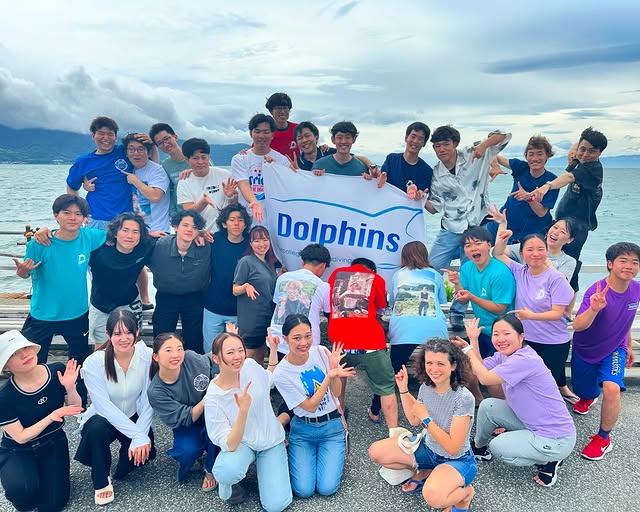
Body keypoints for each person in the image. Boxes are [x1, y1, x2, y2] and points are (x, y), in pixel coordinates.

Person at [456, 316, 576, 487]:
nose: (501, 339)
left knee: (498, 447)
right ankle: (478, 448)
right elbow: (480, 367)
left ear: (521, 337)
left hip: (556, 437)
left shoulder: (524, 360)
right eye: (496, 334)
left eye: (506, 333)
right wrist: (474, 339)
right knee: (488, 406)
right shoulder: (504, 356)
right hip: (532, 423)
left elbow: (485, 378)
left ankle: (549, 461)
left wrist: (468, 349)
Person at [14, 194, 106, 402]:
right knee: (34, 360)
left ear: (84, 218)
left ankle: (78, 400)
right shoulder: (41, 242)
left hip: (76, 313)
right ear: (56, 216)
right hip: (43, 313)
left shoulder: (88, 236)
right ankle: (36, 400)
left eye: (78, 214)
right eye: (66, 213)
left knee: (78, 360)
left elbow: (118, 234)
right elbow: (24, 272)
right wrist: (22, 271)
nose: (72, 218)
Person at [368, 338, 476, 511]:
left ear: (453, 365)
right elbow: (414, 419)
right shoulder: (426, 387)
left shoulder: (463, 398)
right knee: (376, 452)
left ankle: (466, 493)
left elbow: (453, 447)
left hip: (457, 460)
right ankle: (427, 470)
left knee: (434, 497)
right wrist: (403, 389)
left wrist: (427, 418)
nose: (434, 369)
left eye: (440, 363)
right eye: (429, 363)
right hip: (428, 448)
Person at [424, 125, 511, 330]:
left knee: (467, 271)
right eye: (437, 146)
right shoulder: (436, 173)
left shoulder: (474, 154)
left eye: (446, 144)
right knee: (430, 266)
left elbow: (504, 136)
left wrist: (484, 146)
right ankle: (427, 307)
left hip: (476, 225)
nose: (441, 149)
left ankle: (457, 313)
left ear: (455, 144)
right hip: (451, 226)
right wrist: (417, 199)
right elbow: (435, 207)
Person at [75, 310, 155, 505]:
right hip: (104, 419)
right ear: (108, 334)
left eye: (128, 332)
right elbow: (103, 406)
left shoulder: (147, 355)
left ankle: (121, 463)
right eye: (117, 334)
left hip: (133, 415)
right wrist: (137, 436)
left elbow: (148, 400)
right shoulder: (94, 362)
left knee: (129, 468)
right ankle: (101, 479)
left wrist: (142, 435)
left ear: (137, 333)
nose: (124, 338)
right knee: (96, 427)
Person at [204, 331, 292, 511]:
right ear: (216, 358)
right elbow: (229, 443)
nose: (237, 357)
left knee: (276, 505)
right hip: (242, 444)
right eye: (230, 353)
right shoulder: (213, 397)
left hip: (270, 440)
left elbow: (269, 378)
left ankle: (266, 469)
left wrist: (273, 350)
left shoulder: (250, 366)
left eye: (240, 350)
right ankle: (231, 487)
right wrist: (243, 411)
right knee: (226, 471)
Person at [570, 242, 640, 460]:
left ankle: (603, 438)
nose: (629, 266)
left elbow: (625, 319)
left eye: (635, 262)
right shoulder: (597, 291)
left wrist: (627, 344)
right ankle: (589, 396)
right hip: (585, 349)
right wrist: (593, 308)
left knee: (611, 388)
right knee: (585, 391)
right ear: (610, 264)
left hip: (614, 350)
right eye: (623, 260)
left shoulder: (636, 289)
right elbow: (578, 325)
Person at [0, 331, 83, 512]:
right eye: (13, 354)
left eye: (26, 347)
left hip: (53, 441)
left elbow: (75, 406)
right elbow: (20, 437)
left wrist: (70, 387)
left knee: (53, 504)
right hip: (18, 449)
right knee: (23, 494)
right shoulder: (4, 396)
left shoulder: (57, 371)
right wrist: (51, 417)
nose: (24, 355)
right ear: (6, 367)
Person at [272, 315, 353, 497]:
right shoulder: (281, 373)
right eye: (297, 338)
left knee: (327, 488)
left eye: (308, 336)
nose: (304, 342)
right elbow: (310, 406)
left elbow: (337, 392)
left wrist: (334, 368)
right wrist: (329, 376)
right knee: (303, 490)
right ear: (285, 339)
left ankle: (329, 454)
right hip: (303, 430)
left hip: (332, 428)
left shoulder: (322, 352)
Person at [369, 241, 448, 422]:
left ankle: (375, 410)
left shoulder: (398, 275)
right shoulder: (435, 275)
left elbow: (394, 301)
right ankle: (444, 410)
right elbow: (442, 300)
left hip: (404, 330)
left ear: (404, 257)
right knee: (441, 370)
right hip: (434, 327)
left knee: (391, 372)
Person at [493, 230, 576, 401]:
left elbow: (557, 313)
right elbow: (498, 253)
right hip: (527, 341)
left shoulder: (556, 278)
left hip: (553, 343)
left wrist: (530, 315)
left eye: (540, 249)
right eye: (530, 249)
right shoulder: (520, 271)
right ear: (522, 254)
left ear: (546, 251)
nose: (535, 254)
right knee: (523, 386)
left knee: (543, 390)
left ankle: (549, 423)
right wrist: (502, 237)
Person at [531, 127, 608, 290]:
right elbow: (578, 146)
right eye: (583, 149)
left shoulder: (592, 169)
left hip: (576, 229)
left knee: (568, 270)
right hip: (562, 224)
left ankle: (564, 311)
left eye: (592, 151)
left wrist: (547, 186)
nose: (586, 154)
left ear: (600, 153)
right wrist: (575, 152)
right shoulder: (582, 160)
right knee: (549, 260)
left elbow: (568, 177)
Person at [328, 257, 399, 431]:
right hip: (370, 341)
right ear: (372, 270)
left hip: (340, 341)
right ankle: (394, 433)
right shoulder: (376, 279)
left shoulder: (335, 275)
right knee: (386, 387)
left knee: (339, 378)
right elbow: (382, 305)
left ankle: (340, 419)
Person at [147, 333, 219, 491]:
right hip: (188, 421)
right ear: (156, 357)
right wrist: (209, 397)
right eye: (168, 350)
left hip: (211, 413)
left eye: (179, 349)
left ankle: (210, 470)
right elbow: (186, 417)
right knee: (188, 450)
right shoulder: (156, 391)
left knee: (215, 432)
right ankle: (194, 455)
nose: (175, 355)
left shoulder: (191, 358)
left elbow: (213, 359)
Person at [66, 116, 155, 229]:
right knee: (97, 247)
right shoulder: (83, 162)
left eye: (110, 134)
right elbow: (71, 187)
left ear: (116, 137)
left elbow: (150, 164)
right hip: (97, 219)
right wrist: (80, 213)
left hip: (126, 219)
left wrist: (152, 144)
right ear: (93, 136)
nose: (106, 138)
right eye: (101, 133)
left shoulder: (124, 151)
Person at [444, 226, 516, 359]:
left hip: (504, 332)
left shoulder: (500, 273)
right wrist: (457, 283)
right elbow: (462, 299)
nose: (473, 248)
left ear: (489, 245)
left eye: (478, 243)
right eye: (468, 245)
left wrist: (472, 297)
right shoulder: (467, 268)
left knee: (493, 374)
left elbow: (500, 308)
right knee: (478, 370)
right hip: (481, 330)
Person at [148, 210, 210, 354]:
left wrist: (203, 234)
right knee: (162, 337)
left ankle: (194, 372)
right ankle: (160, 371)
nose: (189, 230)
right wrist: (148, 235)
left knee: (194, 340)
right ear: (176, 226)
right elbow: (138, 245)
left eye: (194, 227)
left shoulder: (205, 247)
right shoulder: (160, 245)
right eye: (185, 225)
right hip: (166, 296)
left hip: (194, 297)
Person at [88, 213, 156, 345]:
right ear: (115, 233)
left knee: (132, 342)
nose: (130, 236)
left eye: (135, 232)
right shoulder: (99, 250)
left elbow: (178, 239)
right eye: (125, 230)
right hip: (101, 304)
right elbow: (73, 238)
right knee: (102, 347)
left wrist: (199, 234)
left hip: (129, 301)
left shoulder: (145, 246)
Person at [485, 135, 559, 244]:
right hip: (503, 223)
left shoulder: (552, 181)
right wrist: (495, 166)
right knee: (476, 247)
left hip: (531, 233)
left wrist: (528, 197)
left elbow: (541, 212)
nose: (534, 158)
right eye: (531, 154)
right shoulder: (521, 167)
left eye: (539, 154)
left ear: (547, 156)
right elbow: (494, 155)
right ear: (526, 156)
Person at [203, 204, 252, 353]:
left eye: (240, 219)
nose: (236, 223)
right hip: (213, 308)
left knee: (234, 354)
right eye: (232, 220)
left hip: (239, 311)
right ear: (224, 224)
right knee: (211, 353)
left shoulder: (252, 243)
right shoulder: (214, 240)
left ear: (245, 224)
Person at [270, 243, 331, 357]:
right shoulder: (324, 287)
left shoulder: (283, 278)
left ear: (302, 262)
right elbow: (329, 315)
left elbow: (275, 304)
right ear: (323, 266)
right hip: (304, 345)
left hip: (276, 340)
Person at [233, 226, 279, 364]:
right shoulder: (246, 262)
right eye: (257, 241)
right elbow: (235, 289)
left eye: (265, 240)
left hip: (266, 319)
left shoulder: (270, 263)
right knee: (246, 361)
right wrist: (246, 286)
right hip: (251, 321)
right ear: (251, 243)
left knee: (259, 360)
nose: (261, 244)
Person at [232, 113, 290, 223]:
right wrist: (255, 203)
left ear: (272, 134)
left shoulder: (282, 161)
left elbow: (287, 188)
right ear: (251, 134)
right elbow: (243, 185)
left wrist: (276, 168)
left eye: (266, 132)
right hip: (246, 218)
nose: (261, 136)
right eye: (257, 132)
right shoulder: (239, 159)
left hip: (273, 219)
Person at [177, 137, 237, 231]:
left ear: (209, 157)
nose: (200, 162)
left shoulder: (224, 174)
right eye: (195, 158)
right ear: (187, 160)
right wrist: (203, 202)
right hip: (201, 234)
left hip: (226, 232)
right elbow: (188, 213)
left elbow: (236, 205)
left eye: (204, 157)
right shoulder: (184, 182)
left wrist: (231, 196)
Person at [121, 133, 171, 233]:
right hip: (135, 232)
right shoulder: (128, 169)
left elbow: (156, 196)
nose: (136, 153)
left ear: (149, 153)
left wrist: (136, 181)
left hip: (157, 232)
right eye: (131, 149)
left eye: (141, 149)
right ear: (126, 153)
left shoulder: (157, 170)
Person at [381, 122, 434, 201]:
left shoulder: (427, 171)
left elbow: (423, 193)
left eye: (420, 139)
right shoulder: (391, 159)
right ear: (406, 138)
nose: (415, 141)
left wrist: (419, 194)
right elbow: (381, 178)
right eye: (413, 136)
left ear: (424, 143)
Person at [150, 122, 191, 217]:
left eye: (167, 139)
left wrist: (194, 171)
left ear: (175, 137)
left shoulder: (196, 158)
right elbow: (171, 192)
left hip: (201, 211)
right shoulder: (165, 165)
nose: (165, 144)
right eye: (160, 143)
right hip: (181, 215)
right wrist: (173, 214)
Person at [265, 92, 298, 159]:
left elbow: (310, 147)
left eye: (285, 108)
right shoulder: (265, 132)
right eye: (279, 108)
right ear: (271, 111)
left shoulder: (298, 129)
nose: (282, 111)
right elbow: (255, 152)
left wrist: (323, 148)